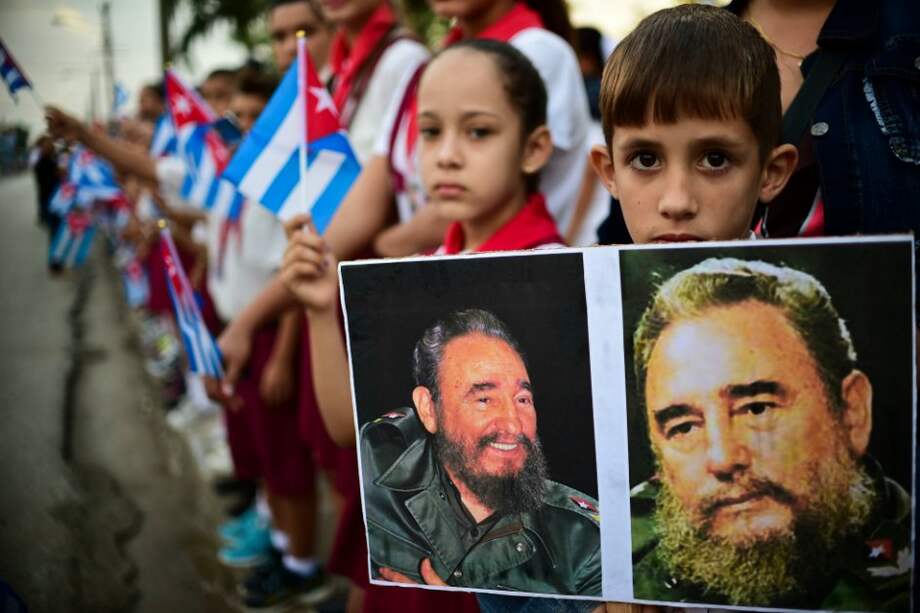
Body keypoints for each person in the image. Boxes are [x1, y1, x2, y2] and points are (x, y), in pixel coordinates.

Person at [281, 38, 583, 612]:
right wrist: (321, 309)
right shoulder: (414, 278)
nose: (446, 155)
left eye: (478, 132)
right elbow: (352, 433)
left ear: (535, 147)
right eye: (430, 131)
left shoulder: (559, 278)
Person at [628, 257, 911, 611]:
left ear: (852, 412)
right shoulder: (618, 555)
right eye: (684, 427)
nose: (723, 458)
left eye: (756, 408)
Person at [359, 308, 602, 594]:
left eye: (523, 399)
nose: (513, 424)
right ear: (428, 409)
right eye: (484, 399)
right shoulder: (375, 462)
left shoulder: (584, 539)